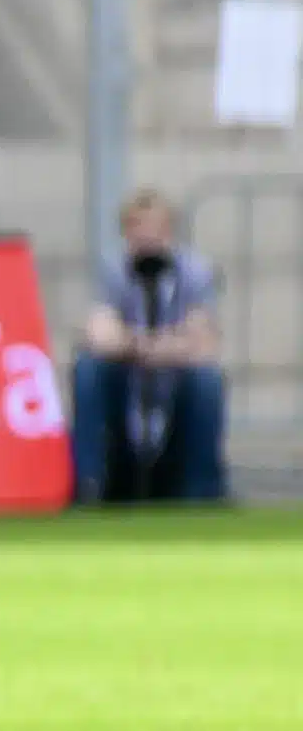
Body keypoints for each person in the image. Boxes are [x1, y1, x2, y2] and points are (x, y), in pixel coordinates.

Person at [72, 188, 228, 504]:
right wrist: (146, 346)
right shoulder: (114, 271)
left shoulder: (195, 274)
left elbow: (203, 340)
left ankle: (203, 489)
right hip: (127, 384)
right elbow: (99, 333)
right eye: (137, 228)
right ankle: (88, 482)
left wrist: (147, 346)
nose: (146, 238)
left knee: (207, 379)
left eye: (155, 228)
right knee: (88, 370)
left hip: (174, 387)